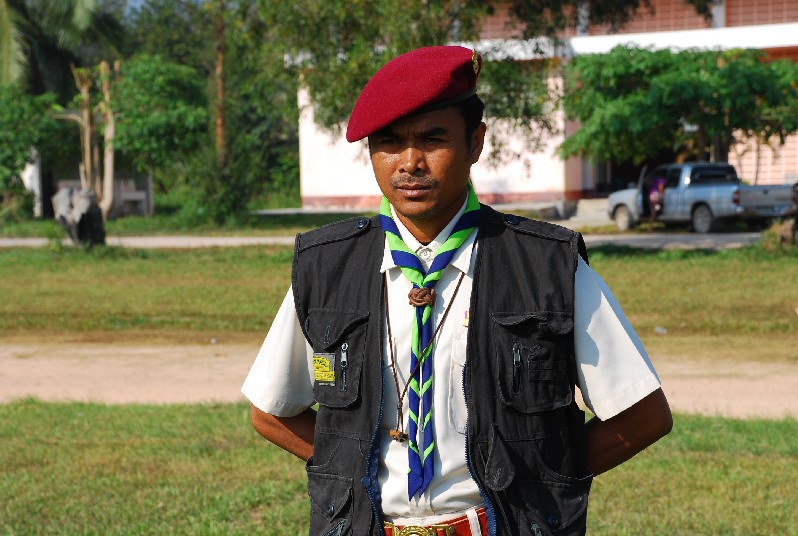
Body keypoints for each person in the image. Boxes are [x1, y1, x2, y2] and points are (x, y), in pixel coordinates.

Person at [242, 46, 672, 536]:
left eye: (433, 139)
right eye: (389, 142)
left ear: (475, 143)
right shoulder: (328, 268)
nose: (410, 163)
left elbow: (643, 415)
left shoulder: (547, 265)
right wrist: (349, 473)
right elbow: (270, 411)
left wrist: (541, 486)